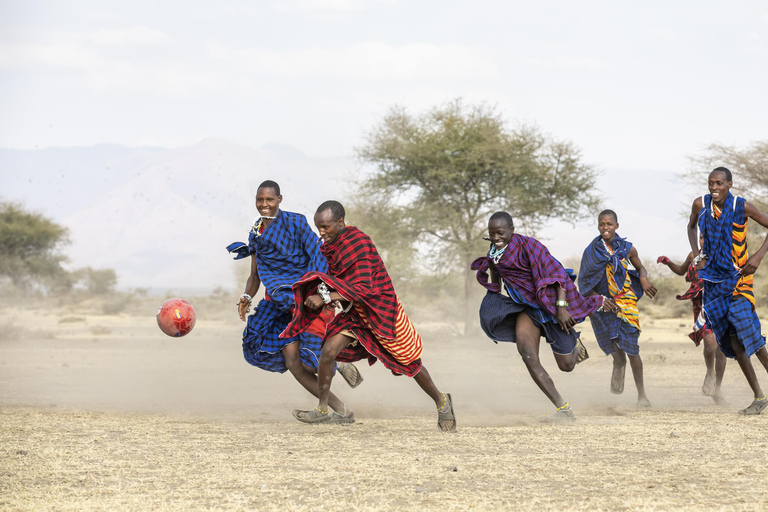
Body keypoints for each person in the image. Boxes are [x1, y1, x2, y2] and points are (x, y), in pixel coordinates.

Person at [281, 200, 457, 432]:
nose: (321, 233)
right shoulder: (331, 246)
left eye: (326, 227)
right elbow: (340, 281)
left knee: (408, 362)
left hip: (380, 311)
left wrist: (325, 298)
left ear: (341, 222)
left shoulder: (359, 243)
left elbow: (363, 287)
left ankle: (442, 401)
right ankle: (324, 409)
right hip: (355, 311)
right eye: (318, 228)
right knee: (328, 352)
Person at [226, 181, 362, 423]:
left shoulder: (295, 222)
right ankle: (342, 409)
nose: (264, 204)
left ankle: (336, 364)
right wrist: (247, 296)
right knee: (292, 362)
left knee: (309, 357)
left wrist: (319, 291)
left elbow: (317, 254)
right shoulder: (256, 234)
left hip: (303, 297)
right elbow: (256, 275)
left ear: (280, 199)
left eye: (269, 199)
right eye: (260, 200)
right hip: (277, 303)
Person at [471, 212, 616, 421]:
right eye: (491, 233)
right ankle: (563, 409)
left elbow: (557, 274)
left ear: (512, 230)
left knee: (566, 366)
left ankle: (575, 344)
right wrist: (493, 300)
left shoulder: (530, 246)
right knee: (527, 353)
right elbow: (496, 276)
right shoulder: (494, 252)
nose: (495, 238)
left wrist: (561, 307)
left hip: (551, 305)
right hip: (527, 310)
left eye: (500, 233)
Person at [687, 167, 768, 415]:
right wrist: (698, 255)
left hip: (739, 280)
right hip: (712, 284)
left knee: (748, 332)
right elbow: (691, 228)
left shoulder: (742, 207)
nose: (714, 188)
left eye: (719, 183)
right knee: (733, 342)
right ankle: (759, 397)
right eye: (711, 183)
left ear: (729, 184)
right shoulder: (701, 204)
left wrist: (758, 256)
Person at [579, 209, 657, 407]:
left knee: (632, 348)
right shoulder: (592, 251)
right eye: (602, 224)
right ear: (598, 226)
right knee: (613, 342)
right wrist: (600, 299)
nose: (606, 228)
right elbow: (584, 283)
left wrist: (644, 278)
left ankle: (642, 396)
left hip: (626, 301)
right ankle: (618, 363)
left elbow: (640, 267)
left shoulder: (627, 248)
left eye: (609, 224)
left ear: (617, 226)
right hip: (605, 304)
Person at [657, 234, 726, 404]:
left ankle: (718, 389)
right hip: (700, 304)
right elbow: (681, 271)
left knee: (721, 347)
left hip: (719, 302)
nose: (704, 240)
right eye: (701, 237)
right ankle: (710, 372)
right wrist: (668, 263)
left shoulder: (723, 253)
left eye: (707, 237)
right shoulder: (693, 255)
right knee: (710, 342)